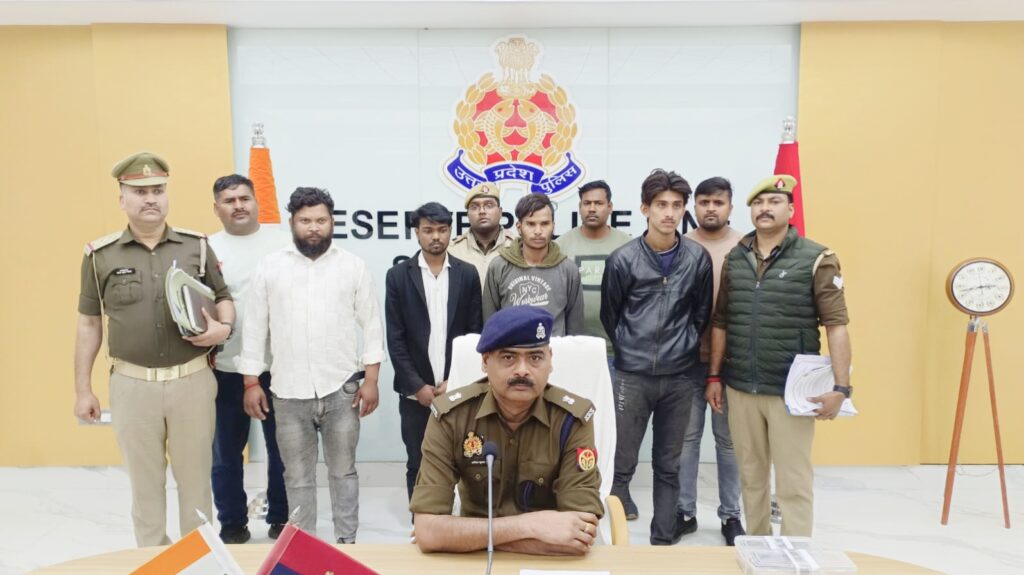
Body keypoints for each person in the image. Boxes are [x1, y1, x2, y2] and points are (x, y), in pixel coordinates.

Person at [74, 152, 234, 547]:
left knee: (196, 484)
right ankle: (153, 563)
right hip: (132, 387)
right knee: (145, 488)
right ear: (122, 199)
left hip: (192, 382)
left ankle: (199, 562)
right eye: (140, 191)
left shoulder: (197, 247)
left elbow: (223, 296)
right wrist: (83, 389)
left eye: (158, 190)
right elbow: (89, 323)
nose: (151, 199)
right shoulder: (100, 256)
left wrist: (223, 328)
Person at [706, 175, 852, 537]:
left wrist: (841, 388)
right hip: (741, 388)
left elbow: (836, 326)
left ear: (790, 210)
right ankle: (756, 548)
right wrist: (715, 376)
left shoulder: (817, 258)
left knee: (793, 482)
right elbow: (721, 322)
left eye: (774, 202)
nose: (765, 208)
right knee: (751, 478)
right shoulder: (736, 257)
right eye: (758, 203)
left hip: (792, 392)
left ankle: (796, 553)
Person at [238, 187, 386, 544]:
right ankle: (305, 549)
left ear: (332, 221)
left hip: (341, 391)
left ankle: (347, 545)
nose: (314, 227)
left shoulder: (352, 266)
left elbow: (372, 324)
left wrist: (371, 379)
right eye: (306, 221)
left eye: (321, 220)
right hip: (288, 393)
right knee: (297, 477)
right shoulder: (271, 267)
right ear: (292, 222)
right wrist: (250, 382)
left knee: (343, 473)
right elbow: (254, 328)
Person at [410, 307, 603, 556]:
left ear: (550, 360)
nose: (522, 370)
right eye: (508, 357)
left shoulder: (572, 420)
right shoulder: (452, 418)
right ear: (485, 362)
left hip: (544, 566)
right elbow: (428, 532)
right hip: (477, 565)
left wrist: (462, 537)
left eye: (535, 358)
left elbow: (580, 535)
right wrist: (531, 526)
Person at [600, 169, 713, 545]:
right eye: (661, 205)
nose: (669, 213)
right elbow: (611, 316)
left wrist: (682, 346)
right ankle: (617, 545)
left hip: (680, 377)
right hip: (632, 376)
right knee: (621, 463)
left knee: (668, 465)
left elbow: (701, 315)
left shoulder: (697, 258)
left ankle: (662, 543)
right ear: (645, 209)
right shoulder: (623, 259)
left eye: (677, 206)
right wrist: (632, 348)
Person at [207, 174, 292, 543]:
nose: (238, 205)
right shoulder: (205, 248)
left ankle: (281, 518)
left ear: (257, 202)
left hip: (278, 367)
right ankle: (232, 522)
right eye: (229, 200)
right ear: (216, 208)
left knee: (282, 449)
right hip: (225, 368)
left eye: (244, 198)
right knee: (226, 452)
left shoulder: (283, 243)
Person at [385, 202, 483, 502]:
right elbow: (396, 339)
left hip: (458, 390)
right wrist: (418, 386)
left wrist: (456, 381)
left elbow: (474, 335)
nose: (436, 236)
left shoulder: (467, 274)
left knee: (466, 458)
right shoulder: (398, 276)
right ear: (416, 232)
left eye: (442, 230)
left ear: (451, 231)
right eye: (428, 230)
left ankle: (462, 516)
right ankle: (421, 518)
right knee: (418, 460)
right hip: (416, 394)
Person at [675, 177, 746, 545]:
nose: (711, 208)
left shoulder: (746, 247)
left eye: (718, 202)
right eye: (704, 202)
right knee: (686, 440)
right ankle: (684, 512)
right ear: (695, 207)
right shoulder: (681, 246)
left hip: (732, 361)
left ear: (730, 207)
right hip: (687, 359)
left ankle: (731, 516)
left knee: (728, 442)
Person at [483, 193, 583, 336]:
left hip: (553, 349)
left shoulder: (568, 269)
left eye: (545, 224)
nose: (538, 231)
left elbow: (575, 329)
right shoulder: (499, 266)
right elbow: (490, 324)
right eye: (531, 224)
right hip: (510, 348)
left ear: (553, 226)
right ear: (519, 227)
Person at [555, 180, 631, 366]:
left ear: (610, 207)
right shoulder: (560, 246)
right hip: (571, 348)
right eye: (587, 203)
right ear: (580, 207)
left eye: (598, 203)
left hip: (616, 351)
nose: (592, 209)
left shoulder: (627, 246)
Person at [448, 182, 515, 287]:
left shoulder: (517, 247)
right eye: (474, 207)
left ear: (500, 212)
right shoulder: (452, 250)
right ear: (468, 214)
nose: (482, 211)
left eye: (489, 205)